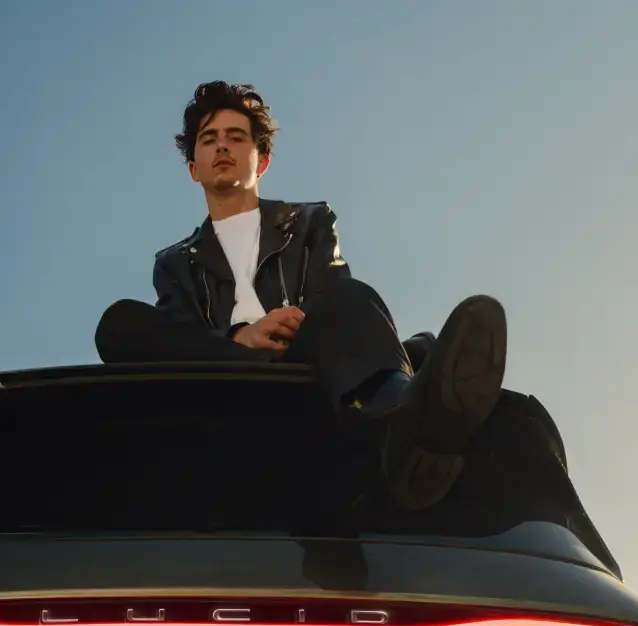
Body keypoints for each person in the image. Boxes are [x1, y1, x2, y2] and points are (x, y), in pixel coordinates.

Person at [95, 81, 509, 512]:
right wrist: (239, 338)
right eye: (209, 139)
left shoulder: (309, 220)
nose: (222, 147)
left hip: (305, 359)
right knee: (119, 322)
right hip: (221, 376)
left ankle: (401, 421)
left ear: (263, 161)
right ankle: (408, 388)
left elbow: (330, 295)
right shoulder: (173, 262)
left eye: (237, 137)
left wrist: (285, 325)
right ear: (193, 168)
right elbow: (177, 338)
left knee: (351, 296)